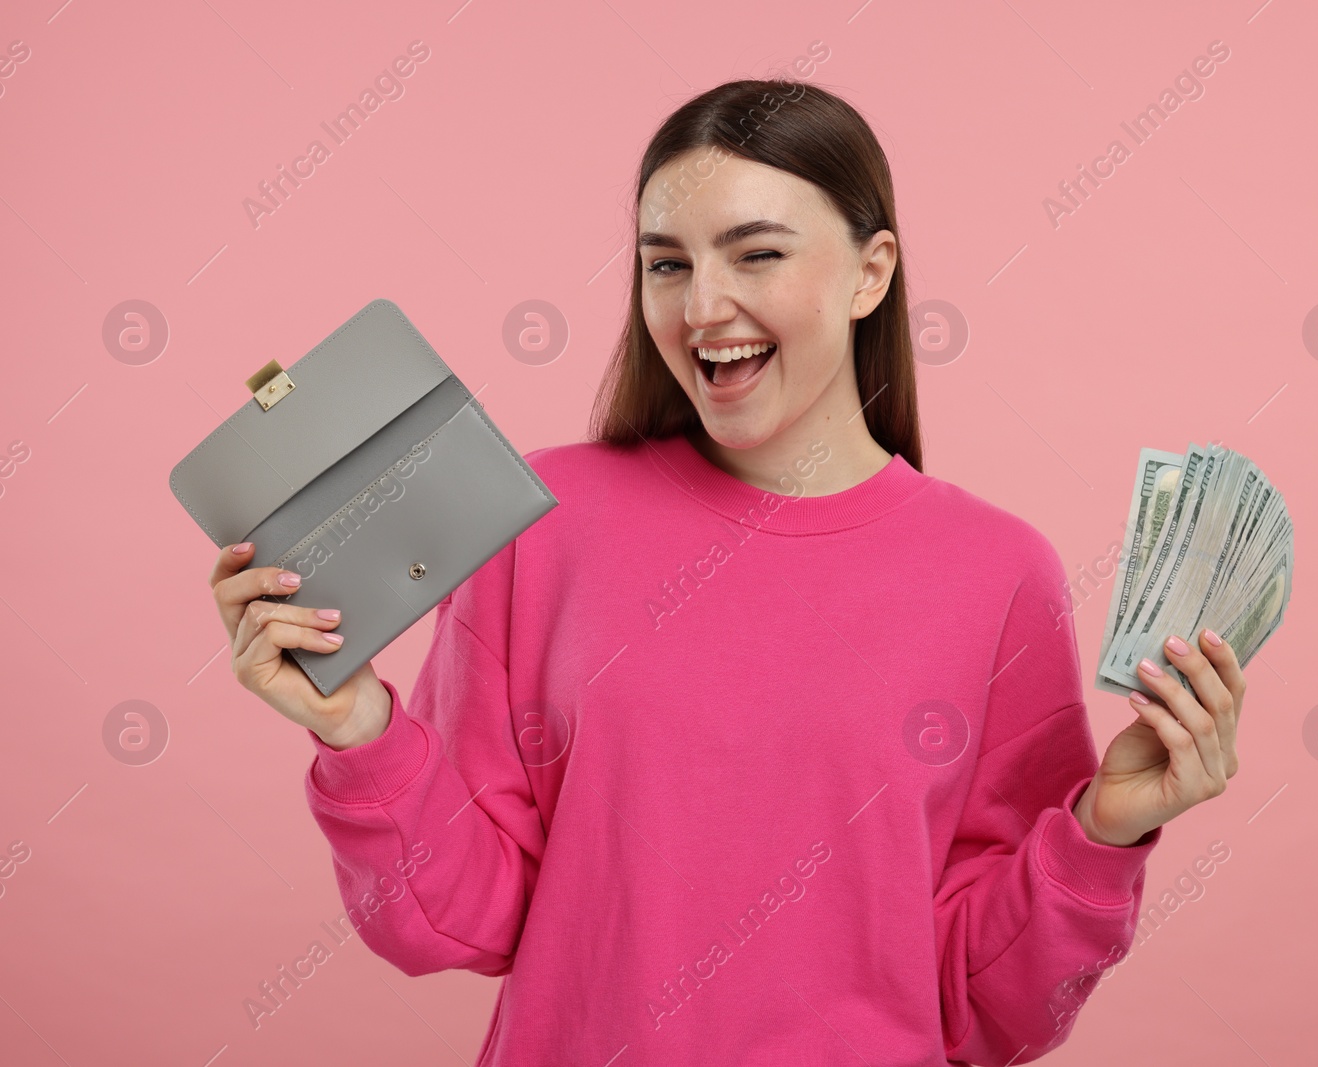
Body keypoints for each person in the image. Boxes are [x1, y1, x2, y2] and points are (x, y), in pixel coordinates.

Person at [208, 78, 1247, 1066]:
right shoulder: (544, 522)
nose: (703, 305)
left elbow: (987, 1008)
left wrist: (1103, 829)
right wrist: (361, 733)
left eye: (755, 255)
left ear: (870, 273)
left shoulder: (996, 573)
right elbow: (454, 918)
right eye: (667, 263)